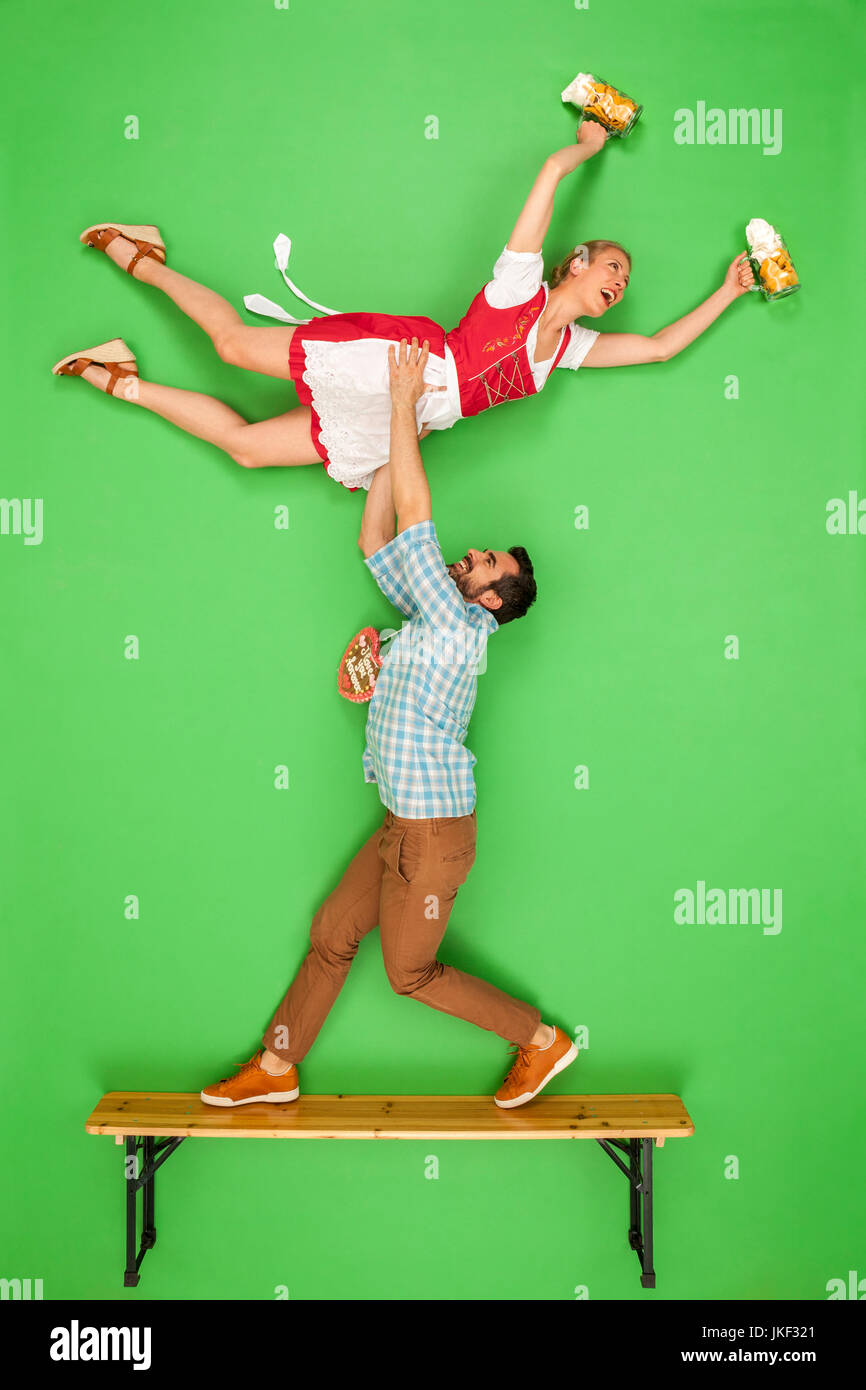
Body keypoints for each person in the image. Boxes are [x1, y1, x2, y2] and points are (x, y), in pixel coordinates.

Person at [200, 338, 578, 1110]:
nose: (470, 555)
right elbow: (376, 538)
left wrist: (403, 404)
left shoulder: (460, 626)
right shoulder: (429, 617)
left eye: (486, 565)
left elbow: (415, 515)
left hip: (431, 840)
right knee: (332, 931)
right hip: (405, 826)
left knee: (409, 975)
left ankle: (540, 1041)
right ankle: (276, 1067)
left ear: (489, 603)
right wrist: (379, 448)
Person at [51, 123, 756, 489]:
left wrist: (728, 291)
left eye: (623, 283)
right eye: (612, 266)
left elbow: (660, 347)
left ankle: (124, 378)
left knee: (247, 451)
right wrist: (585, 145)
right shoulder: (520, 285)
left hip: (408, 421)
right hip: (398, 363)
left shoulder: (570, 351)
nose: (618, 283)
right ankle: (145, 257)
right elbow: (546, 175)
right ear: (576, 263)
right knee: (233, 347)